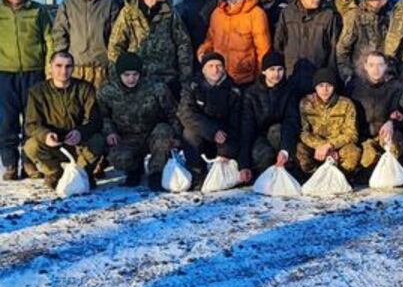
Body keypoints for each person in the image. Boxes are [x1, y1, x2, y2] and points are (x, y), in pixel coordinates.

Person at [23, 52, 105, 188]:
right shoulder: (37, 92)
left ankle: (82, 173)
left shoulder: (85, 88)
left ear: (73, 68)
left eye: (68, 66)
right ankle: (55, 173)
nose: (63, 71)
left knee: (98, 140)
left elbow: (95, 120)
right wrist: (45, 135)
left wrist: (80, 132)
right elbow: (31, 124)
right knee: (31, 146)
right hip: (54, 145)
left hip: (79, 144)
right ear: (50, 67)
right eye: (59, 66)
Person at [98, 52, 179, 188]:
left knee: (164, 131)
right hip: (125, 136)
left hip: (152, 133)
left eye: (135, 74)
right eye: (127, 75)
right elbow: (103, 116)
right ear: (119, 74)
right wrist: (110, 132)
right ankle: (134, 169)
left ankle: (156, 173)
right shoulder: (108, 91)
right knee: (119, 158)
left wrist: (177, 136)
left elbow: (172, 113)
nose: (131, 79)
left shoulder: (156, 87)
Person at [0, 0, 53, 180]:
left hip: (34, 72)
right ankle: (10, 164)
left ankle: (30, 163)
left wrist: (49, 67)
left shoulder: (38, 10)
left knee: (32, 120)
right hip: (5, 73)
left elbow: (49, 39)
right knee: (6, 121)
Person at [107, 0, 193, 97]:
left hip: (166, 80)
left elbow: (184, 45)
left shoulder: (170, 13)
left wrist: (185, 79)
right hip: (136, 81)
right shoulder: (129, 12)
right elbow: (115, 46)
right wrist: (120, 78)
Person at [197, 0, 271, 87]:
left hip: (246, 80)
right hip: (220, 78)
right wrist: (203, 52)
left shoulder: (256, 14)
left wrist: (260, 78)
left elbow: (263, 50)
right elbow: (210, 40)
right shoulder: (217, 13)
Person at [52, 0, 120, 88]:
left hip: (102, 69)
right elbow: (59, 32)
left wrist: (112, 62)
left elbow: (116, 35)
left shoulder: (109, 2)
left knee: (100, 105)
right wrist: (62, 60)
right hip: (76, 67)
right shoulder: (68, 3)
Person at [177, 52, 243, 182]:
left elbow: (236, 121)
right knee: (189, 134)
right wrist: (212, 131)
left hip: (224, 135)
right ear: (203, 69)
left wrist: (226, 150)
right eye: (210, 66)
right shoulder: (192, 86)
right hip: (203, 132)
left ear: (224, 68)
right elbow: (186, 113)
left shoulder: (233, 90)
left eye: (219, 66)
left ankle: (223, 174)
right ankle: (197, 173)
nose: (215, 70)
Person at [238, 51, 300, 182]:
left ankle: (287, 168)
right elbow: (246, 128)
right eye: (272, 69)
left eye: (280, 69)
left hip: (280, 135)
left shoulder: (289, 91)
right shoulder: (251, 94)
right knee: (264, 157)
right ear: (264, 71)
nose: (276, 74)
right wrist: (244, 164)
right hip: (258, 136)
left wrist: (285, 150)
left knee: (277, 131)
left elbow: (291, 121)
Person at [274, 0, 341, 95]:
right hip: (291, 78)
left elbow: (332, 51)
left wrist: (329, 77)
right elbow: (279, 44)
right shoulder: (287, 13)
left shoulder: (328, 15)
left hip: (317, 80)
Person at [295, 68, 361, 177]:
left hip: (338, 147)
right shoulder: (306, 103)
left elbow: (352, 134)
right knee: (300, 151)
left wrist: (331, 145)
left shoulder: (346, 104)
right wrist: (321, 145)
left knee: (353, 153)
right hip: (316, 147)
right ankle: (314, 176)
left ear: (334, 87)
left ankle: (341, 177)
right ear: (315, 87)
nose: (325, 90)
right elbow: (303, 132)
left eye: (329, 86)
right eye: (321, 86)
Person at [347, 51, 403, 174]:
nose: (376, 69)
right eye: (372, 65)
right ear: (365, 66)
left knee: (393, 148)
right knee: (367, 162)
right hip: (363, 137)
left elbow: (399, 110)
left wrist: (391, 122)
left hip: (386, 134)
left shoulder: (394, 87)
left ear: (386, 66)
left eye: (380, 65)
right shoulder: (354, 87)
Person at [336, 0, 391, 83]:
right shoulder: (354, 16)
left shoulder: (390, 15)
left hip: (386, 76)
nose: (376, 3)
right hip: (361, 76)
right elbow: (342, 49)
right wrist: (348, 75)